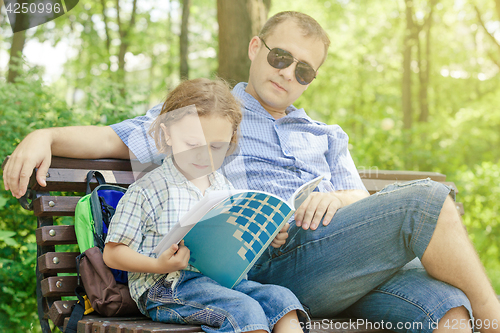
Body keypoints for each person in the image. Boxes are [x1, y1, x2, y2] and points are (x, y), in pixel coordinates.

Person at [3, 11, 500, 333]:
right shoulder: (211, 115)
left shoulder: (326, 134)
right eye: (282, 57)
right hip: (264, 266)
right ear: (256, 48)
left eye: (304, 70)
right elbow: (115, 137)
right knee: (428, 201)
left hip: (339, 263)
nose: (288, 73)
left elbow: (356, 199)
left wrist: (338, 201)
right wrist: (45, 136)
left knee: (449, 307)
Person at [102, 77, 307, 333]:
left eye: (217, 146)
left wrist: (267, 237)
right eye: (193, 144)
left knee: (282, 299)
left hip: (220, 282)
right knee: (245, 310)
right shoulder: (148, 190)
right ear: (168, 133)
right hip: (166, 286)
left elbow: (236, 246)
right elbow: (112, 253)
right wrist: (158, 265)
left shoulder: (224, 187)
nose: (204, 156)